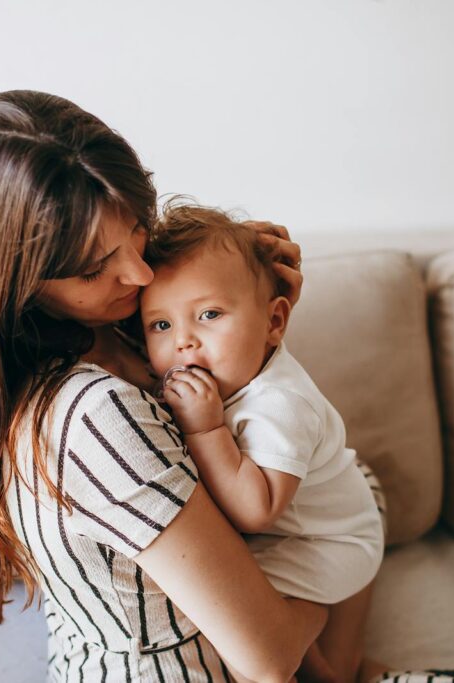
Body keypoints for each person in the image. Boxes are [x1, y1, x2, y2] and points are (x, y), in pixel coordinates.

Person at [0, 89, 408, 682]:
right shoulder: (95, 413)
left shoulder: (105, 324)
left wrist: (251, 316)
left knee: (349, 478)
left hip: (111, 633)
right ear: (14, 285)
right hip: (194, 668)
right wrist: (325, 591)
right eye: (94, 268)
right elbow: (270, 658)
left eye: (136, 231)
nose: (140, 273)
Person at [137, 201, 388, 682]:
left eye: (209, 314)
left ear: (274, 322)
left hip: (331, 544)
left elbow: (256, 510)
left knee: (238, 622)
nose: (183, 341)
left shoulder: (281, 405)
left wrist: (205, 430)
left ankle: (313, 629)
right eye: (161, 325)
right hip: (301, 533)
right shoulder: (218, 374)